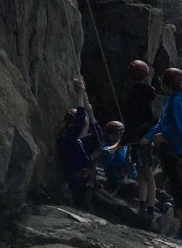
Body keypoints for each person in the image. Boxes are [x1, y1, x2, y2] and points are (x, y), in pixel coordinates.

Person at [141, 67, 182, 244]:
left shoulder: (178, 100)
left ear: (166, 83)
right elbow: (162, 123)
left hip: (179, 154)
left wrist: (164, 135)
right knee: (176, 188)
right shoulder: (174, 100)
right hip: (172, 153)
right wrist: (150, 136)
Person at [56, 77, 102, 210]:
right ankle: (150, 223)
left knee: (114, 204)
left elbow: (98, 137)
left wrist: (91, 114)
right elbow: (80, 122)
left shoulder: (78, 141)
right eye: (85, 126)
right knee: (110, 206)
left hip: (88, 182)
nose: (85, 128)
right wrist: (80, 95)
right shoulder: (67, 139)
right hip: (80, 185)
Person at [121, 60, 158, 220]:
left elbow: (132, 118)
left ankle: (149, 207)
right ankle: (145, 205)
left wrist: (126, 138)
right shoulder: (147, 93)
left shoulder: (135, 93)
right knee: (144, 173)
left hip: (140, 138)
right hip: (144, 137)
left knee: (146, 173)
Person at [99, 120, 138, 199]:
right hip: (118, 181)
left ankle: (167, 202)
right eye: (119, 133)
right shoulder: (107, 149)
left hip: (133, 177)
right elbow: (113, 167)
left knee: (149, 185)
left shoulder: (126, 147)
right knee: (136, 186)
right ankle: (158, 204)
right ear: (110, 134)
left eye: (122, 133)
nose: (121, 135)